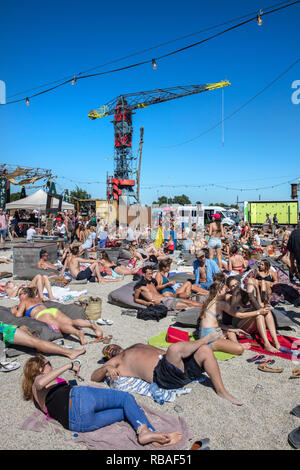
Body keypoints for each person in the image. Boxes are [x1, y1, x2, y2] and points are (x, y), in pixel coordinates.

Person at [22, 355, 182, 446]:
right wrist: (69, 365)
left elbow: (54, 396)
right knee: (126, 398)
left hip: (78, 424)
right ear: (41, 369)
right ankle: (148, 432)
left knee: (124, 412)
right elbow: (41, 382)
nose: (51, 365)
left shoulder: (39, 396)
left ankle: (149, 437)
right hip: (78, 399)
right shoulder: (39, 382)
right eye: (48, 364)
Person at [91, 337, 243, 406]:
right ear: (109, 357)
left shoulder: (135, 345)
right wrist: (107, 367)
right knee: (174, 348)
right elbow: (94, 376)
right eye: (108, 352)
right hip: (163, 377)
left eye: (110, 346)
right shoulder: (118, 360)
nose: (111, 349)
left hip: (176, 365)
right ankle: (205, 339)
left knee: (204, 350)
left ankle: (221, 390)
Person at [198, 276, 271, 354]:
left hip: (208, 333)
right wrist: (259, 312)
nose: (226, 292)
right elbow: (239, 315)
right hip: (210, 338)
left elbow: (215, 323)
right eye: (225, 290)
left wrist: (233, 330)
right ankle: (234, 345)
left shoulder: (209, 302)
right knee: (240, 349)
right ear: (219, 291)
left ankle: (234, 344)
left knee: (231, 330)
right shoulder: (220, 303)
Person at [11, 286, 103, 345]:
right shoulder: (37, 298)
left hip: (41, 315)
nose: (19, 297)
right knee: (71, 321)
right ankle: (91, 325)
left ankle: (77, 333)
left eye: (20, 295)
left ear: (25, 294)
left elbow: (19, 316)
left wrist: (14, 311)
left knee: (59, 325)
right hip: (52, 310)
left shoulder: (24, 301)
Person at [225, 276, 281, 353]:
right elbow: (235, 312)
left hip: (250, 319)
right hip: (239, 322)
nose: (235, 287)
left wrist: (257, 288)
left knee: (267, 312)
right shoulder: (229, 296)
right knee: (259, 315)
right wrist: (235, 293)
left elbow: (259, 303)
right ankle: (266, 344)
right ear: (229, 288)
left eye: (236, 284)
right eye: (232, 286)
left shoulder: (244, 292)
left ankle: (276, 341)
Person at [0, 322, 85, 361]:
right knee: (35, 342)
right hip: (5, 332)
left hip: (4, 329)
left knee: (23, 327)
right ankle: (69, 352)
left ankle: (41, 348)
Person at [134, 266, 206, 310]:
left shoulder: (152, 282)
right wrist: (146, 303)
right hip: (162, 302)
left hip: (167, 298)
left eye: (151, 274)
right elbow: (136, 299)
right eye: (149, 274)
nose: (151, 275)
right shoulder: (140, 287)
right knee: (187, 305)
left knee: (191, 302)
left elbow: (158, 288)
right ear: (143, 274)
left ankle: (208, 308)